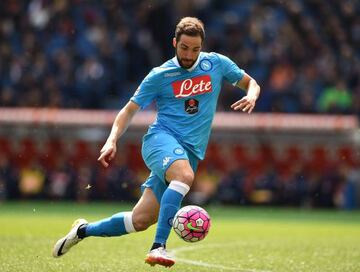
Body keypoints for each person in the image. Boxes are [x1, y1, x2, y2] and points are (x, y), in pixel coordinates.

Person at [52, 17, 260, 267]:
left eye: (195, 49)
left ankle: (82, 230)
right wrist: (111, 140)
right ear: (175, 43)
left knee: (139, 221)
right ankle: (158, 247)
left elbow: (251, 83)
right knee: (183, 176)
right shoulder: (160, 75)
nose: (189, 54)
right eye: (184, 48)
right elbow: (128, 111)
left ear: (202, 46)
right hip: (160, 139)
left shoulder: (216, 63)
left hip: (189, 152)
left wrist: (251, 95)